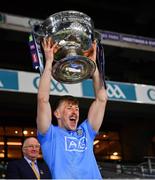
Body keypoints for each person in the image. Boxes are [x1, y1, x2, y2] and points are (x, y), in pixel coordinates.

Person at [37, 37, 108, 179]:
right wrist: (49, 61)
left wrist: (93, 66)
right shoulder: (49, 135)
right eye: (69, 107)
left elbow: (101, 99)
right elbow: (43, 99)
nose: (75, 111)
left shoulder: (86, 131)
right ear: (57, 113)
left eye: (76, 108)